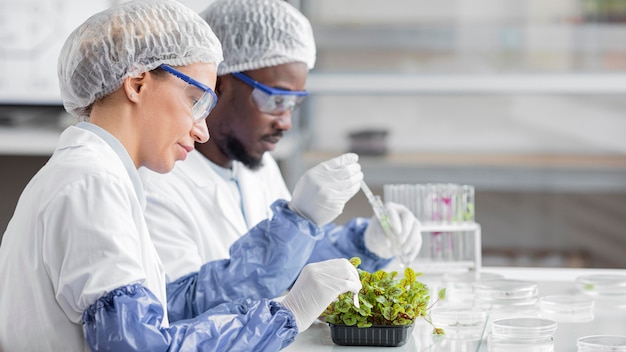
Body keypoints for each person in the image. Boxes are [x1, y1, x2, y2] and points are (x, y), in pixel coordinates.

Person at [0, 1, 362, 350]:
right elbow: (137, 347)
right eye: (194, 100)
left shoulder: (95, 176)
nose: (202, 131)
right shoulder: (91, 185)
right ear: (137, 83)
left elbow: (158, 322)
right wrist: (285, 316)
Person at [139, 0, 423, 306]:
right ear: (217, 85)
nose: (285, 121)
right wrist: (297, 220)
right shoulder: (154, 181)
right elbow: (188, 305)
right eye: (274, 99)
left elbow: (295, 266)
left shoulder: (256, 167)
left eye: (293, 103)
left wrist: (366, 244)